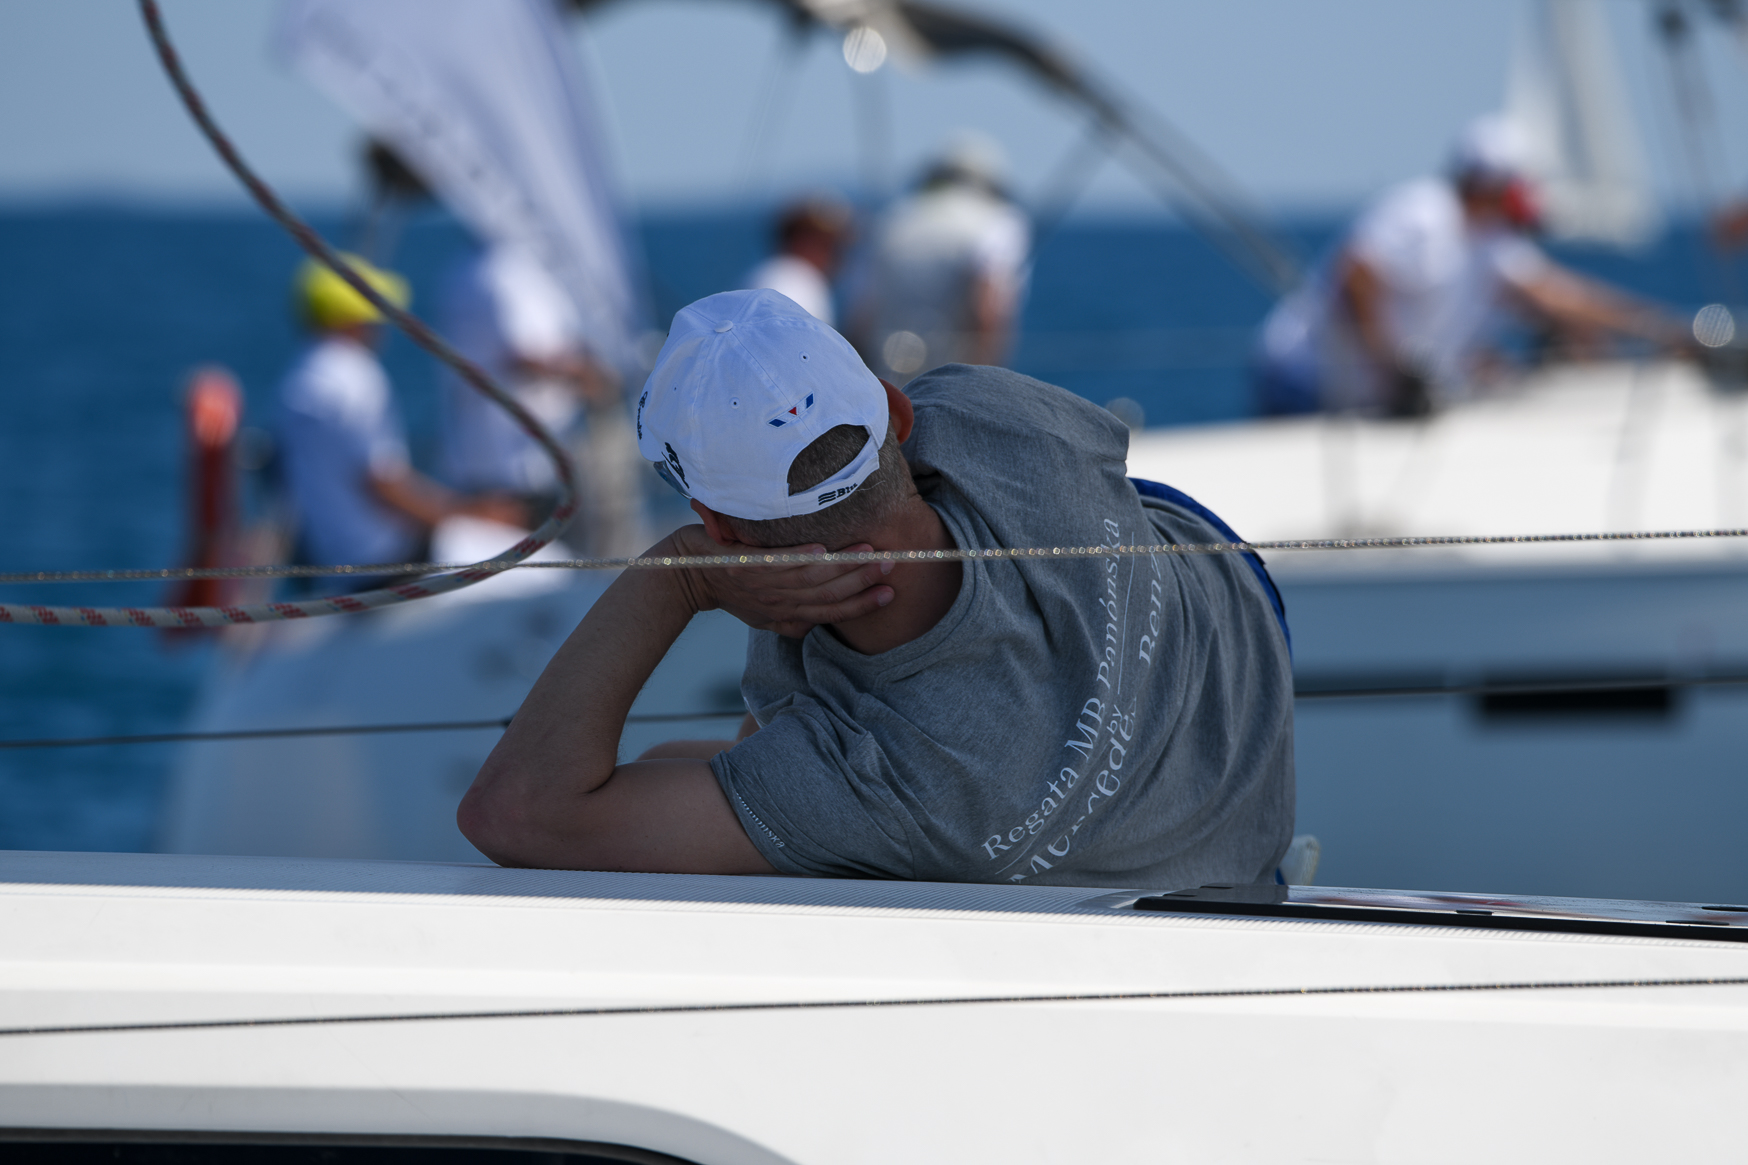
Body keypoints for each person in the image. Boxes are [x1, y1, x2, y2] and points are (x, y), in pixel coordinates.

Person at [458, 289, 1294, 887]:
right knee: (673, 763)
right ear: (895, 411)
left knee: (691, 790)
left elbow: (517, 811)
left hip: (1186, 858)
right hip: (1241, 634)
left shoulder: (880, 784)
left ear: (717, 525)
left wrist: (677, 581)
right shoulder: (992, 409)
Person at [1255, 115, 1687, 417]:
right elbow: (1357, 276)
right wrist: (1392, 365)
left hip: (1364, 399)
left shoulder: (1493, 243)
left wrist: (1662, 328)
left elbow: (1560, 297)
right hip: (1307, 381)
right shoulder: (1422, 212)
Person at [274, 256, 522, 589]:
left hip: (337, 566)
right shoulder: (355, 376)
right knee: (535, 558)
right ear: (352, 317)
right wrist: (470, 514)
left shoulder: (297, 382)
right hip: (387, 562)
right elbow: (384, 484)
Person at [437, 240, 646, 555]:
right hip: (516, 474)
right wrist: (593, 375)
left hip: (501, 463)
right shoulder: (505, 273)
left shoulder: (465, 272)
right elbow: (523, 355)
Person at [848, 133, 1032, 386]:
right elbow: (986, 313)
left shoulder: (890, 221)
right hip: (954, 385)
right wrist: (984, 386)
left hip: (887, 382)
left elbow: (861, 316)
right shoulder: (999, 223)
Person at [741, 195, 852, 326]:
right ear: (804, 242)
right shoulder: (796, 285)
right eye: (832, 246)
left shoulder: (765, 274)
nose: (839, 258)